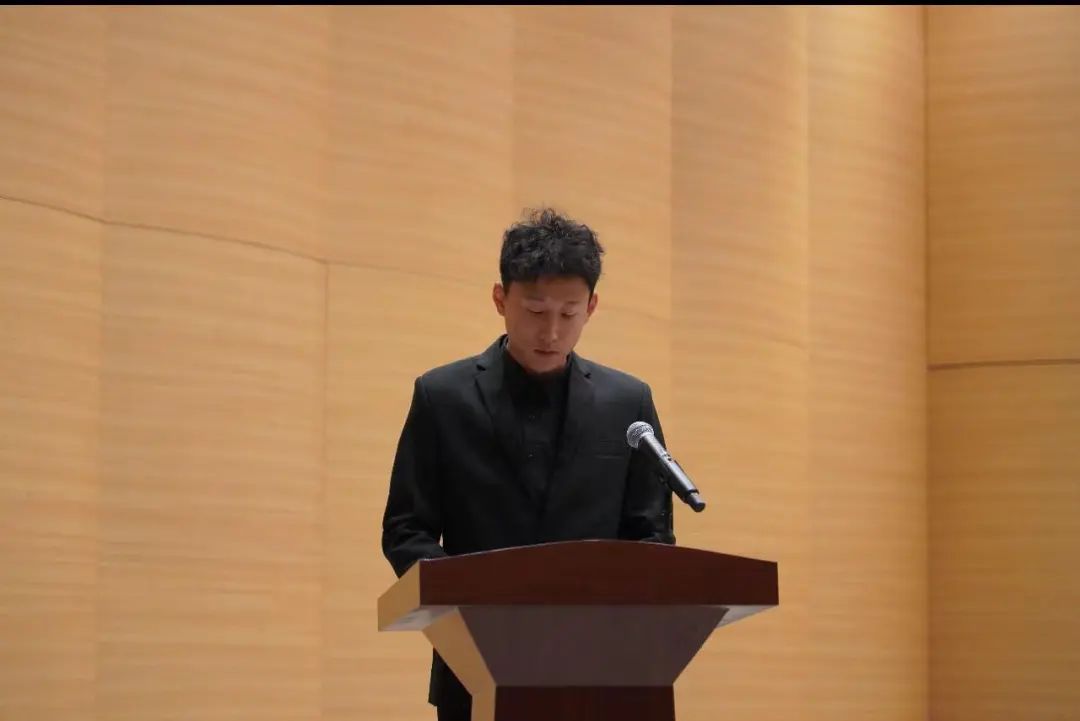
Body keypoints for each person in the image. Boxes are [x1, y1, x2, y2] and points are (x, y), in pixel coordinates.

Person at [380, 207, 676, 721]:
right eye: (536, 311)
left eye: (570, 313)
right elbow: (407, 528)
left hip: (604, 669)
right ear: (500, 299)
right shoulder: (442, 397)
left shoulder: (628, 403)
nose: (552, 332)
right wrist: (470, 603)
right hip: (478, 668)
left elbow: (651, 533)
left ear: (592, 306)